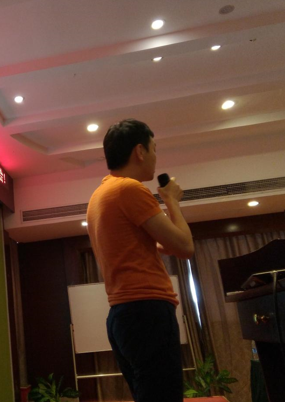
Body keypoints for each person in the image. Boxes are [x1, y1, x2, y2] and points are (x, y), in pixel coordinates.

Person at [86, 119, 194, 402]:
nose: (156, 156)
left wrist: (160, 244)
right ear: (140, 151)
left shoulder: (100, 195)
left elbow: (139, 245)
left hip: (124, 315)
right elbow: (185, 247)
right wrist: (171, 200)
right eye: (154, 149)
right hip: (147, 312)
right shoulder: (129, 189)